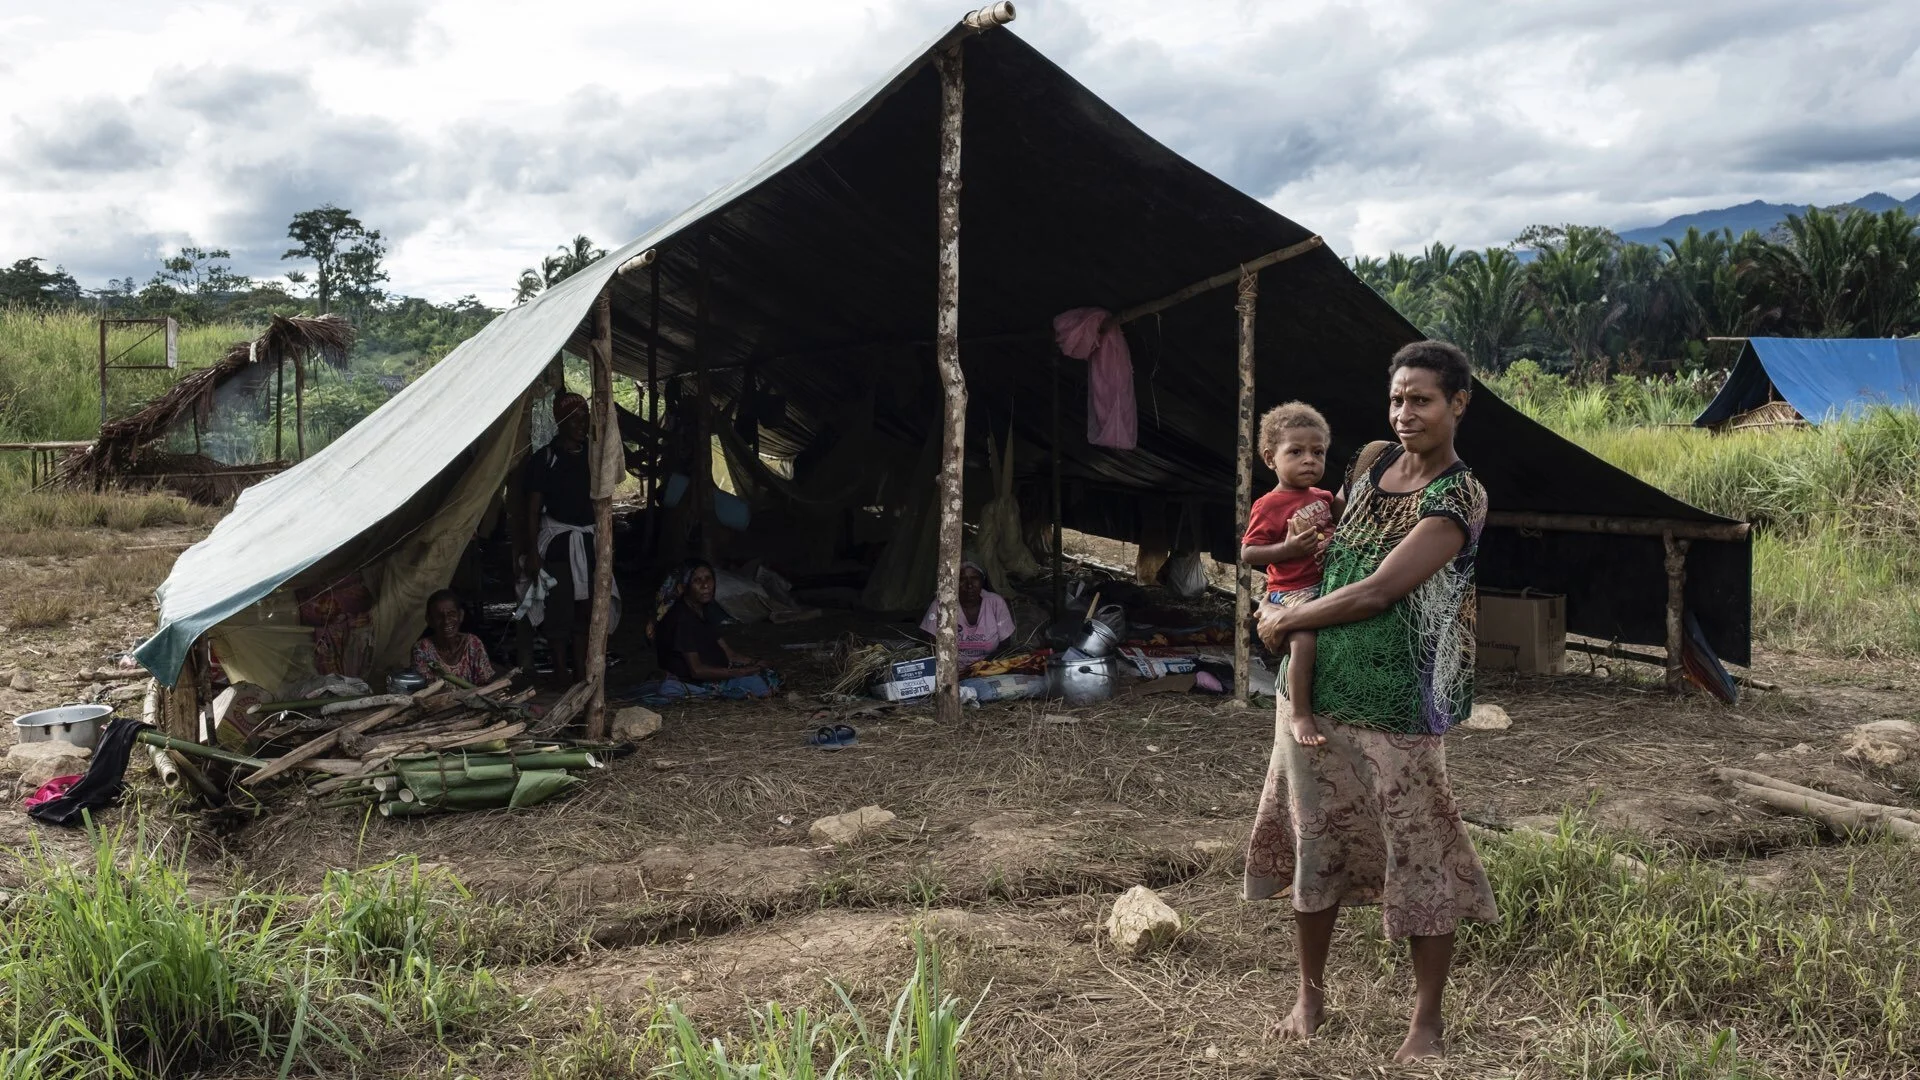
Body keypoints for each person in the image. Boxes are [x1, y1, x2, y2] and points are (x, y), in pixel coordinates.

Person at [1244, 340, 1498, 1063]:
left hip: (1399, 704)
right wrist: (1289, 575)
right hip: (1317, 695)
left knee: (1420, 850)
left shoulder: (1458, 497)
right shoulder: (1372, 463)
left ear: (1458, 405)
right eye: (1396, 398)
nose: (1405, 412)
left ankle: (1426, 1021)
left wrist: (1286, 619)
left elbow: (1383, 589)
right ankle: (1310, 996)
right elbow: (1329, 558)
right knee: (1315, 841)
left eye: (1421, 399)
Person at [1240, 402, 1337, 748]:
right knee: (1304, 641)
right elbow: (1249, 552)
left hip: (1323, 585)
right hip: (1290, 590)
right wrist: (1287, 550)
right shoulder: (1268, 505)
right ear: (1270, 459)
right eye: (1295, 451)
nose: (1309, 459)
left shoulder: (1324, 497)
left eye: (1317, 451)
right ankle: (1299, 713)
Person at [520, 392, 610, 687]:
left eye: (584, 417)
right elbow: (533, 509)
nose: (581, 423)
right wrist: (533, 552)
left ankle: (582, 671)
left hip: (587, 541)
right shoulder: (545, 460)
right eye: (574, 418)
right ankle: (560, 670)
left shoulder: (592, 455)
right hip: (559, 542)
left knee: (587, 607)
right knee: (559, 606)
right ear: (561, 421)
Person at [644, 559, 781, 702]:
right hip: (693, 681)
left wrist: (755, 662)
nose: (705, 585)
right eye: (697, 580)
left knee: (767, 673)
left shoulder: (703, 610)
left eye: (708, 579)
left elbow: (729, 654)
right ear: (682, 588)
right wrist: (738, 672)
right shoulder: (682, 619)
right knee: (759, 685)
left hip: (716, 672)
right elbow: (697, 671)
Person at [919, 560, 1016, 666]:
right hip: (952, 669)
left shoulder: (995, 602)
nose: (969, 585)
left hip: (988, 667)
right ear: (953, 582)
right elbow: (930, 642)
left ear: (982, 581)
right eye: (962, 579)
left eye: (974, 579)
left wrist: (982, 666)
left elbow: (1005, 644)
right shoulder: (942, 604)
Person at [412, 589, 496, 686]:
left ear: (460, 616)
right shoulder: (422, 649)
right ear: (429, 620)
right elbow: (425, 688)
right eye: (439, 616)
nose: (446, 621)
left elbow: (486, 684)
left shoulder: (473, 644)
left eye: (451, 614)